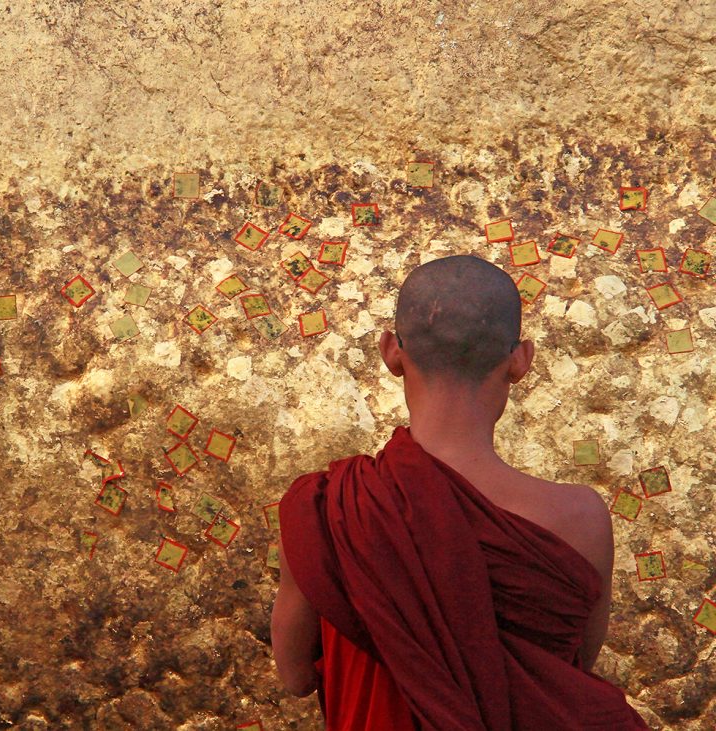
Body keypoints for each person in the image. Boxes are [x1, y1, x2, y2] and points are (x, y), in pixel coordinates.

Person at [271, 255, 647, 730]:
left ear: (390, 351)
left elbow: (295, 676)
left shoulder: (331, 508)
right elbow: (573, 666)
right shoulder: (580, 516)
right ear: (520, 360)